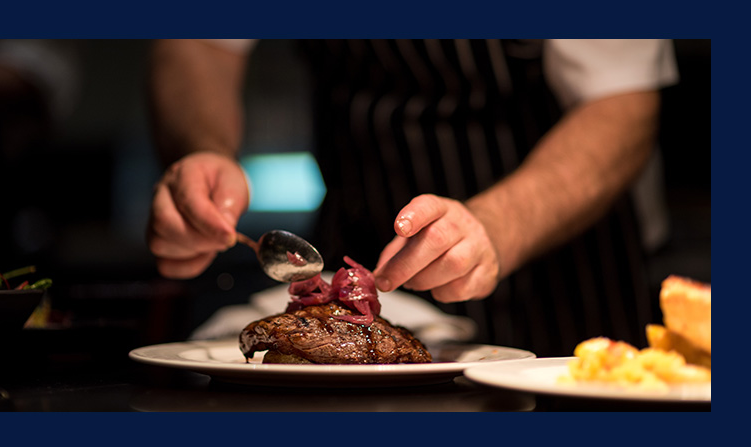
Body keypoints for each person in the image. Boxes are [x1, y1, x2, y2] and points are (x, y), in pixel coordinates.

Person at [145, 39, 678, 357]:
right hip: (355, 230)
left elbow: (623, 106)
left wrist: (496, 225)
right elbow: (197, 43)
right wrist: (203, 150)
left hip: (561, 269)